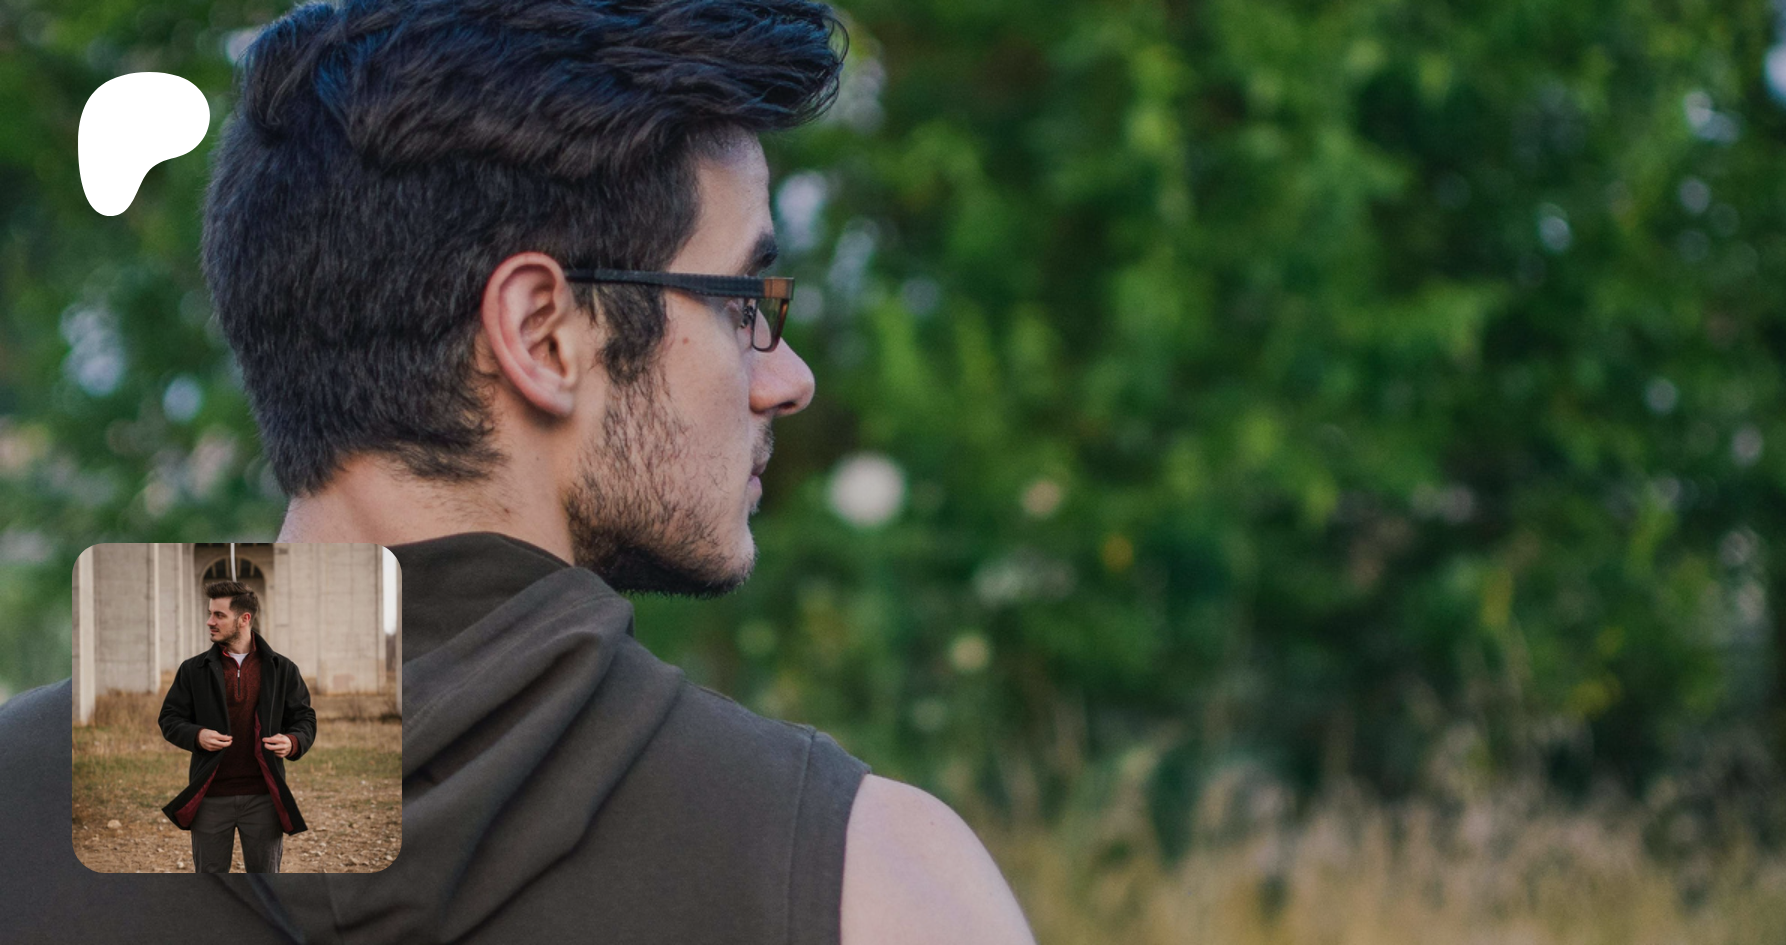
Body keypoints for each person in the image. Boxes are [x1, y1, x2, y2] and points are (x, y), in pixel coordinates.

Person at [0, 1, 1036, 943]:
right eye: (742, 301)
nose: (787, 378)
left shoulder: (20, 810)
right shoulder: (872, 882)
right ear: (542, 334)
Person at [158, 581, 316, 874]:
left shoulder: (282, 669)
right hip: (210, 797)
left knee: (265, 886)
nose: (210, 621)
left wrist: (293, 741)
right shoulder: (193, 670)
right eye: (210, 613)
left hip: (264, 798)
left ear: (244, 619)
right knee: (211, 887)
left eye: (219, 615)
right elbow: (169, 718)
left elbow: (305, 719)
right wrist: (197, 735)